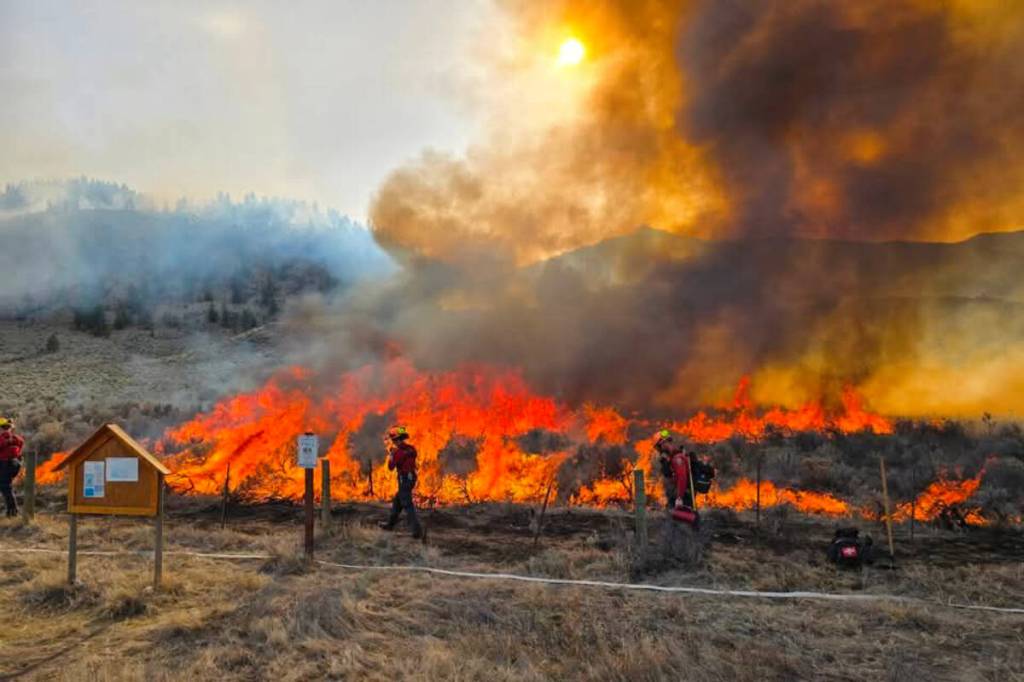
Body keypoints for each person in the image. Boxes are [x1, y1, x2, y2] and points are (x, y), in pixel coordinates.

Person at [379, 425, 423, 538]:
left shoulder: (398, 452)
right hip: (411, 477)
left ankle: (416, 531)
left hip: (404, 479)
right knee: (397, 503)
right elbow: (411, 454)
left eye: (395, 440)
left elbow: (391, 467)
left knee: (407, 505)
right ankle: (390, 525)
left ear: (398, 440)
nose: (394, 442)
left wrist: (392, 455)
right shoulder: (411, 449)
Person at [0, 418, 24, 518]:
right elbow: (21, 445)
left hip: (4, 464)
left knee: (5, 487)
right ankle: (11, 512)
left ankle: (12, 512)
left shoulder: (2, 438)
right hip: (15, 464)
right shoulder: (17, 438)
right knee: (6, 487)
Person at [654, 429, 682, 508]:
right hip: (675, 497)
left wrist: (679, 498)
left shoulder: (677, 458)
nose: (659, 450)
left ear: (663, 443)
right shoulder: (670, 458)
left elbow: (681, 478)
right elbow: (669, 475)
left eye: (659, 447)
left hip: (681, 498)